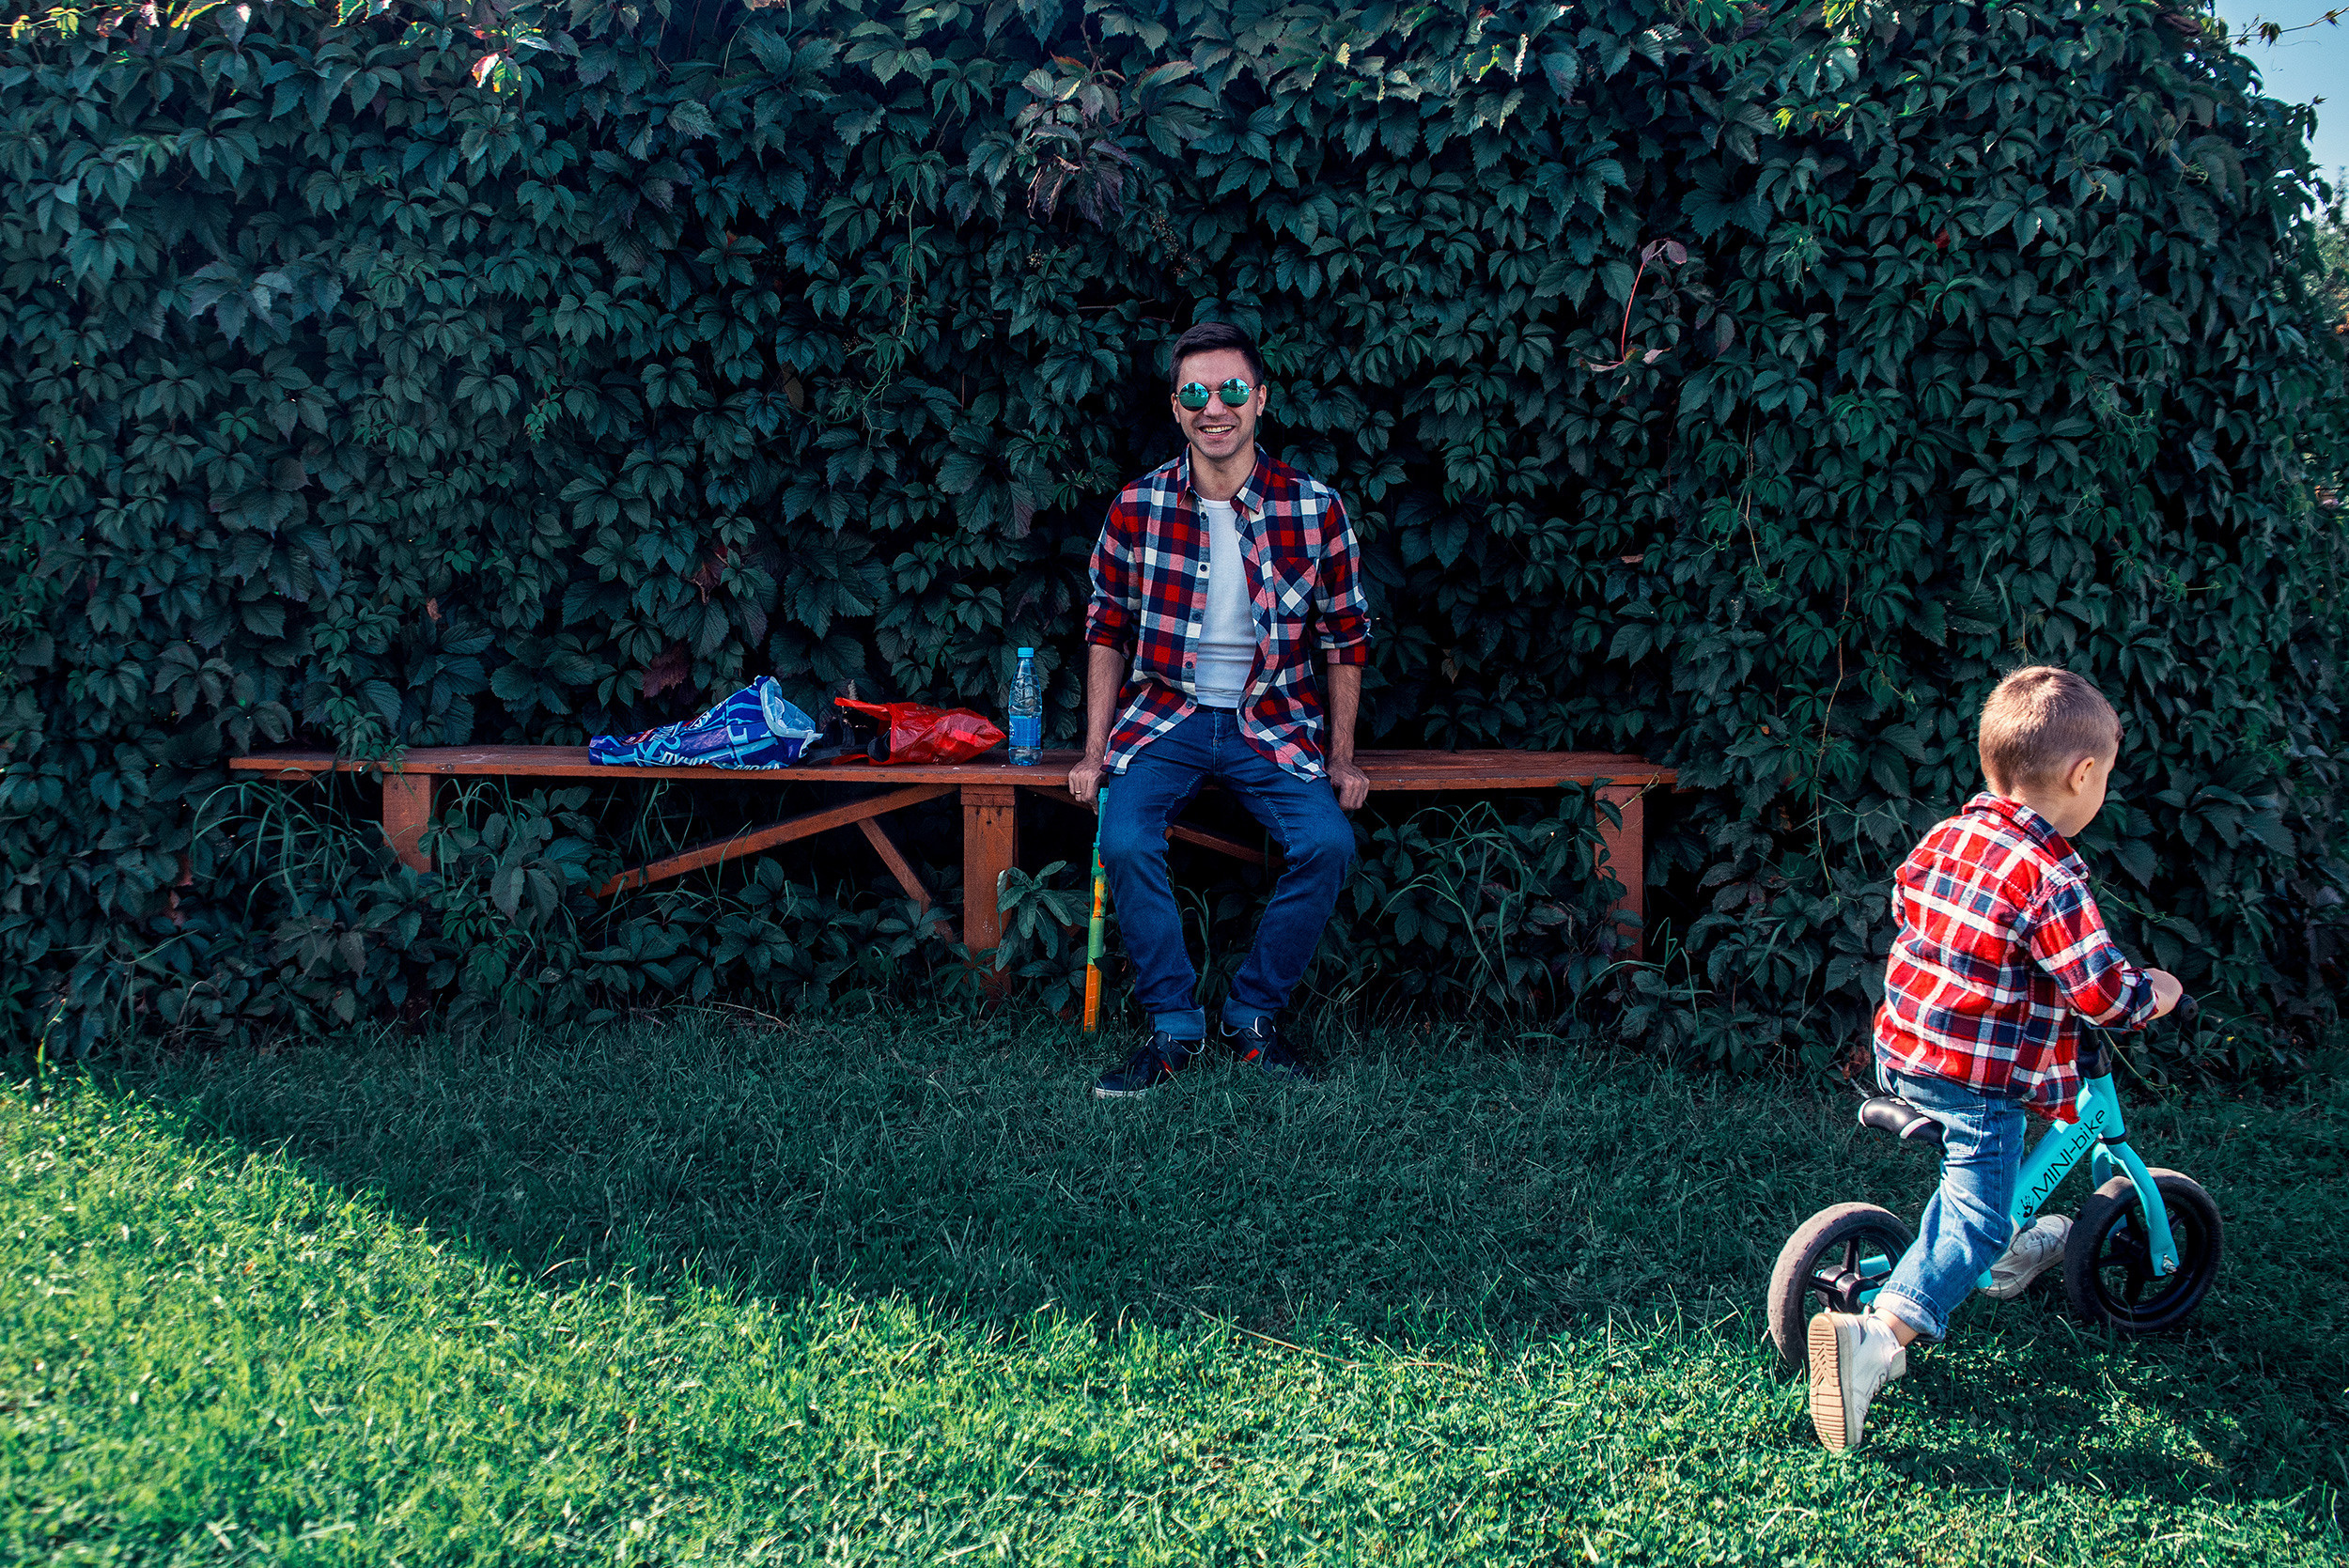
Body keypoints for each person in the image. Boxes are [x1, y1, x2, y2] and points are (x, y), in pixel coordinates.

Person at [1808, 666, 2183, 1451]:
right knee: (1977, 1218)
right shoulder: (2052, 874)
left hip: (1904, 1050)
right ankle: (1876, 1338)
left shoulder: (1948, 834)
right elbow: (2100, 992)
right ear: (2084, 774)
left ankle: (2007, 1249)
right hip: (1975, 1078)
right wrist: (2152, 992)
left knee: (1984, 1180)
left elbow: (1910, 909)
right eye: (2105, 777)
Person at [1069, 321, 1374, 1098]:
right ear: (1176, 408)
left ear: (1261, 400)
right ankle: (1173, 1025)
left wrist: (1340, 758)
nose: (1216, 408)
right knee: (1127, 839)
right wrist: (1093, 750)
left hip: (1268, 723)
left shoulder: (1314, 508)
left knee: (1327, 842)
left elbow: (1345, 633)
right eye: (1196, 393)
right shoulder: (1136, 507)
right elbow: (1105, 626)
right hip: (1163, 719)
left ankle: (1253, 1016)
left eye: (1232, 390)